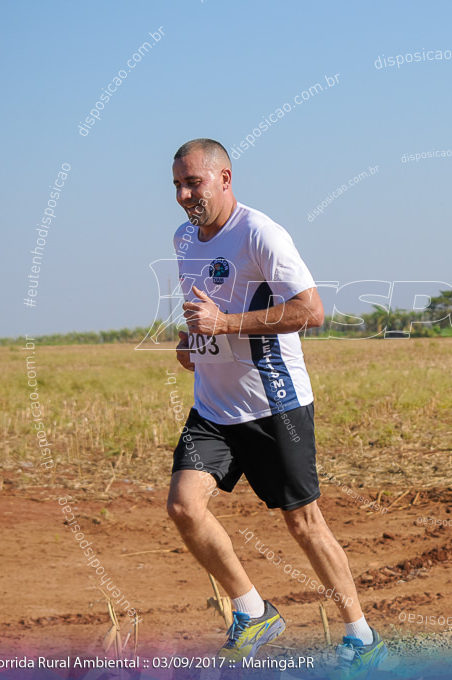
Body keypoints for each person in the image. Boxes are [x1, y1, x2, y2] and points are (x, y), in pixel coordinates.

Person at [167, 138, 386, 677]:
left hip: (274, 403)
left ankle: (360, 633)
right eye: (176, 185)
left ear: (224, 177)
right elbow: (206, 308)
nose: (184, 194)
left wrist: (226, 326)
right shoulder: (182, 238)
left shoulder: (260, 233)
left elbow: (312, 311)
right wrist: (191, 339)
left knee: (304, 523)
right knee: (183, 506)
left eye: (193, 182)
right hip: (213, 409)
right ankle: (252, 609)